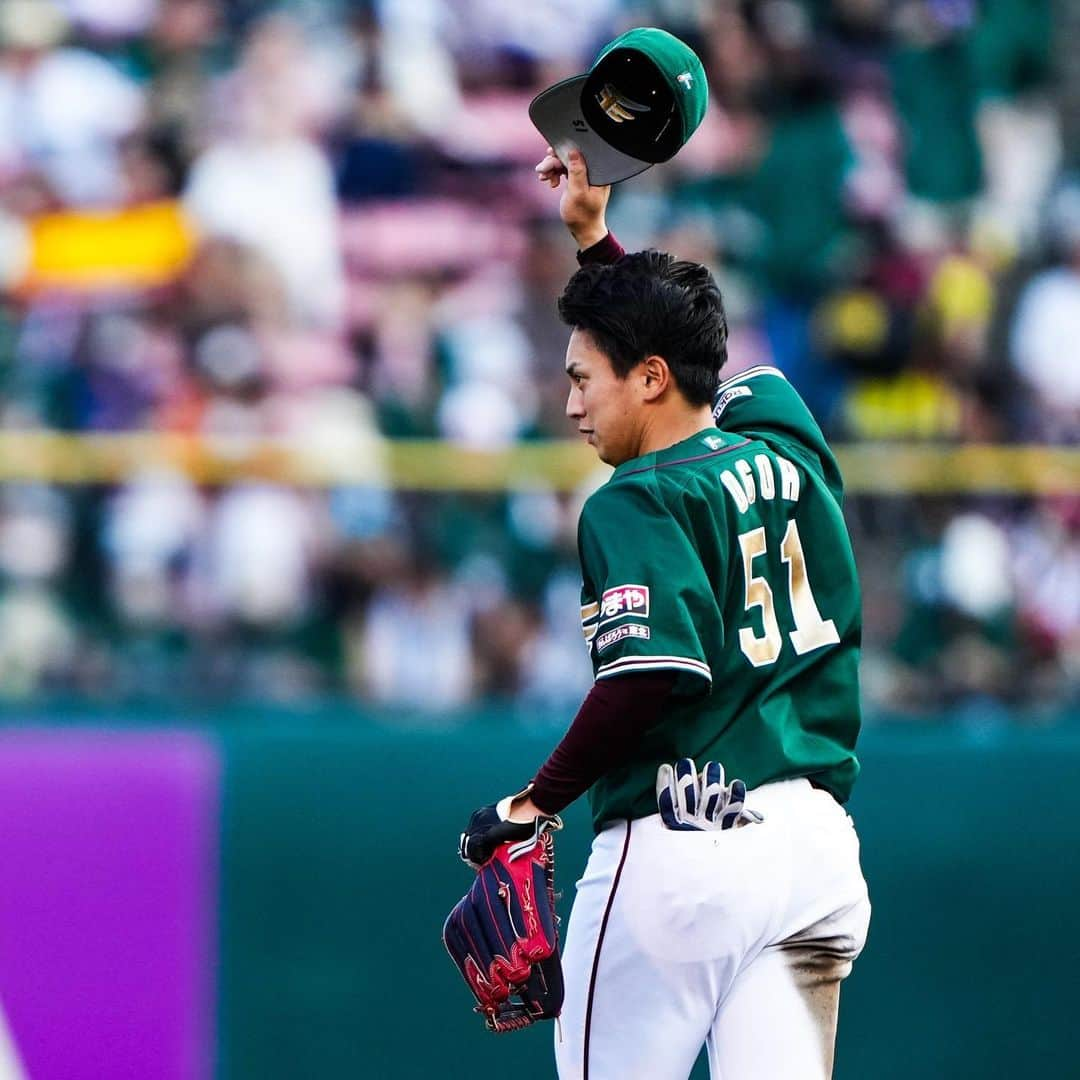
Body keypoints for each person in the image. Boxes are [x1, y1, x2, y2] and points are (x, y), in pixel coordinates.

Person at [459, 148, 871, 1080]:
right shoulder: (785, 430)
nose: (570, 404)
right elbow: (693, 362)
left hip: (681, 846)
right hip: (812, 858)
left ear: (645, 378)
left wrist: (532, 803)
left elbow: (654, 670)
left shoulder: (632, 499)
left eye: (582, 379)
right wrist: (596, 245)